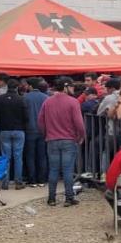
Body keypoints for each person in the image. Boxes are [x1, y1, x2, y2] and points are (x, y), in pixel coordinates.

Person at [38, 77, 85, 206]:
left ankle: (51, 198)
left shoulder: (47, 102)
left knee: (53, 169)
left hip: (52, 140)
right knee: (67, 170)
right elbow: (79, 123)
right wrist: (81, 135)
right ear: (66, 87)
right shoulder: (73, 102)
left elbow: (40, 122)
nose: (73, 89)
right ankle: (69, 197)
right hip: (68, 139)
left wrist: (46, 134)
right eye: (71, 87)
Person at [0, 79, 28, 190]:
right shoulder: (21, 99)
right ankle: (18, 182)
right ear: (17, 87)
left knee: (5, 157)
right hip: (19, 130)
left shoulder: (0, 99)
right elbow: (26, 117)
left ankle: (5, 182)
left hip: (4, 130)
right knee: (18, 157)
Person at [23, 77, 48, 187]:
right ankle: (42, 179)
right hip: (42, 130)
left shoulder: (25, 98)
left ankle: (32, 179)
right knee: (42, 155)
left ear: (30, 86)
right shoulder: (46, 98)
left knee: (30, 155)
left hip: (29, 129)